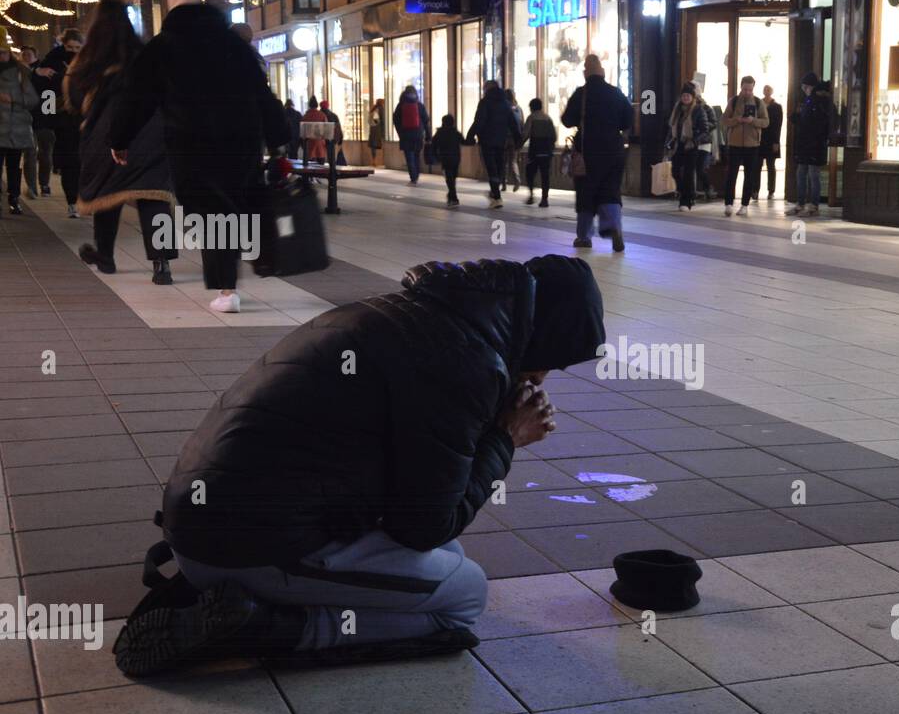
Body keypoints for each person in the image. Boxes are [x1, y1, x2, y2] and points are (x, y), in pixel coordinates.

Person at [112, 256, 607, 676]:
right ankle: (265, 622)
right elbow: (426, 525)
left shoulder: (419, 315)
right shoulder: (464, 362)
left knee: (445, 558)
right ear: (543, 337)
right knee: (464, 596)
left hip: (203, 523)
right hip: (242, 547)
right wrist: (506, 437)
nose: (542, 377)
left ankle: (235, 593)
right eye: (552, 362)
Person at [111, 0, 289, 314]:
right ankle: (246, 265)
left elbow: (137, 99)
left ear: (171, 7)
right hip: (242, 142)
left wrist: (119, 140)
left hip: (191, 145)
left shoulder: (162, 47)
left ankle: (227, 289)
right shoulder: (234, 46)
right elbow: (263, 95)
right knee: (237, 203)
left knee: (211, 214)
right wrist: (278, 138)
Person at [67, 0, 176, 285]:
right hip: (150, 134)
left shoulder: (88, 60)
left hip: (106, 138)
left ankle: (106, 257)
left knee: (106, 196)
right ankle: (161, 263)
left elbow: (75, 99)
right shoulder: (144, 54)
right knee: (153, 197)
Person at [561, 54, 634, 251]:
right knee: (610, 190)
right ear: (601, 71)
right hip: (614, 150)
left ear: (586, 72)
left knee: (586, 192)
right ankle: (613, 227)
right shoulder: (615, 92)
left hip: (588, 151)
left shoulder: (581, 94)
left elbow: (567, 120)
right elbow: (628, 119)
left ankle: (584, 237)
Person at [35, 28, 84, 217]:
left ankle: (82, 198)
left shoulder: (88, 59)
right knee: (70, 163)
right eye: (69, 47)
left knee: (85, 162)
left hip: (85, 118)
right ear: (63, 45)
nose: (73, 51)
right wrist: (49, 118)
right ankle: (72, 201)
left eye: (77, 47)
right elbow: (44, 91)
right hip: (64, 120)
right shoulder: (53, 60)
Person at [466, 80, 521, 209]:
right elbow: (513, 122)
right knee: (498, 165)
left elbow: (479, 121)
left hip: (487, 140)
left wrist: (470, 136)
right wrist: (518, 138)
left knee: (491, 168)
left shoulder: (485, 103)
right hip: (501, 141)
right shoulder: (505, 103)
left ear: (487, 89)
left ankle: (496, 196)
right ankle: (495, 192)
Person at [0, 34, 38, 216]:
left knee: (14, 166)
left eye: (3, 53)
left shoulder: (21, 72)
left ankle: (14, 199)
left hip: (15, 127)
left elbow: (32, 99)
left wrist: (12, 98)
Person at [721, 74, 769, 217]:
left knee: (749, 176)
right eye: (745, 89)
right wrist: (737, 120)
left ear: (753, 88)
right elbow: (724, 120)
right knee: (731, 174)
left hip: (752, 144)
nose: (747, 92)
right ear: (741, 87)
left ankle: (744, 205)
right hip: (734, 143)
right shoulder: (734, 101)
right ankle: (728, 203)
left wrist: (753, 121)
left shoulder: (759, 103)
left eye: (750, 89)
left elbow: (766, 122)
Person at [788, 72, 831, 217]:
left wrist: (797, 120)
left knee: (813, 175)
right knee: (802, 173)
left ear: (808, 86)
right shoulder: (809, 100)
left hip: (815, 144)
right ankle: (800, 204)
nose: (803, 88)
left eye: (804, 86)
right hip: (806, 144)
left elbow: (814, 123)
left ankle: (813, 205)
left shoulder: (818, 101)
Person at [665, 83, 709, 212]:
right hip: (678, 144)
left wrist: (694, 141)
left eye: (688, 96)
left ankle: (686, 201)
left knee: (689, 174)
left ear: (693, 97)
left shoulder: (698, 110)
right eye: (684, 95)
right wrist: (667, 143)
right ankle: (683, 191)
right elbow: (671, 128)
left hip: (691, 145)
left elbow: (704, 129)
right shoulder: (677, 109)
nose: (685, 98)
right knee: (675, 171)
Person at [392, 84, 430, 184]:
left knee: (409, 157)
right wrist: (428, 136)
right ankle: (416, 175)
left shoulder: (400, 105)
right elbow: (426, 121)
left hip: (405, 136)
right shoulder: (419, 105)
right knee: (417, 156)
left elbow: (395, 120)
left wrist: (400, 132)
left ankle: (413, 177)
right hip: (418, 135)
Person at [521, 97, 556, 207]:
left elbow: (525, 134)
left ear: (532, 107)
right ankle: (544, 199)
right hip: (546, 150)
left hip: (535, 150)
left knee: (530, 173)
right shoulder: (548, 118)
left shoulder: (531, 118)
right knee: (545, 175)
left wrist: (519, 144)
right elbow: (554, 136)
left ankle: (531, 195)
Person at [19, 45, 40, 199]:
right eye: (23, 54)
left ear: (35, 56)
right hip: (22, 120)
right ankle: (32, 187)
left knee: (45, 153)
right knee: (30, 154)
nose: (25, 56)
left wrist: (49, 114)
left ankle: (43, 183)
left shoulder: (42, 71)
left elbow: (49, 92)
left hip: (41, 119)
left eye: (28, 54)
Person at [430, 114, 463, 207]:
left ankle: (453, 197)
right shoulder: (456, 132)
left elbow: (433, 145)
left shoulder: (439, 133)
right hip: (456, 158)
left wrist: (436, 157)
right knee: (453, 177)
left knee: (449, 178)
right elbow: (463, 141)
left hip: (445, 158)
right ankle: (451, 196)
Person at [693, 84, 719, 201]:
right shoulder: (685, 107)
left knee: (700, 168)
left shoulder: (707, 108)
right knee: (690, 167)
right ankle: (692, 191)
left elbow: (714, 123)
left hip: (704, 142)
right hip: (690, 142)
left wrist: (702, 126)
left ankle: (708, 188)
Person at [759, 84, 783, 200]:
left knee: (771, 166)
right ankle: (755, 189)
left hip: (771, 139)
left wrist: (776, 142)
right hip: (759, 139)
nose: (767, 91)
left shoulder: (777, 107)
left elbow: (778, 125)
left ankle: (771, 190)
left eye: (769, 89)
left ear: (772, 91)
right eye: (765, 89)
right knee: (756, 166)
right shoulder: (758, 104)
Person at [504, 87, 524, 192]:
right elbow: (522, 124)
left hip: (505, 138)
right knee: (513, 161)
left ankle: (503, 182)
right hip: (515, 138)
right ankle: (517, 180)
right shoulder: (519, 108)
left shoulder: (504, 107)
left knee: (503, 161)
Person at [301, 96, 328, 163]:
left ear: (309, 105)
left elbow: (302, 133)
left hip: (309, 145)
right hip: (320, 144)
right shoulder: (322, 115)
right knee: (321, 168)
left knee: (309, 168)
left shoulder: (305, 116)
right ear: (317, 105)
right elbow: (327, 130)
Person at [320, 99, 345, 164]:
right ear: (328, 106)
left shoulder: (319, 115)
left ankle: (320, 168)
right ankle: (331, 169)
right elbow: (338, 128)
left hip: (320, 138)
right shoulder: (334, 115)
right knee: (331, 155)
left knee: (320, 156)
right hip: (331, 139)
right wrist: (340, 139)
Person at [367, 98, 384, 165]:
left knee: (373, 146)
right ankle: (380, 161)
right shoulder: (380, 109)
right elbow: (382, 120)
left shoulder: (373, 109)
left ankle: (374, 160)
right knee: (379, 144)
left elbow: (370, 121)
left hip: (372, 129)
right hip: (378, 130)